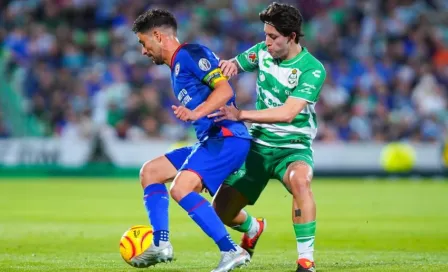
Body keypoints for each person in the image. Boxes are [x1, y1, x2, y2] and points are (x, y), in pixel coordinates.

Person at [130, 8, 252, 272]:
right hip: (212, 139)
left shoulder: (189, 54)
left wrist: (196, 112)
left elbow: (224, 89)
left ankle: (231, 250)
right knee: (150, 172)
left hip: (228, 136)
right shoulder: (176, 67)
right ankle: (161, 243)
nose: (143, 50)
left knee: (180, 188)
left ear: (157, 36)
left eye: (143, 43)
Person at [209, 3, 326, 272]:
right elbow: (232, 66)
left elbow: (288, 113)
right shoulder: (262, 52)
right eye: (265, 35)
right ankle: (253, 227)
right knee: (220, 210)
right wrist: (219, 69)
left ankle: (306, 261)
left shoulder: (312, 69)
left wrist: (240, 115)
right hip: (258, 146)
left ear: (292, 37)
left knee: (300, 181)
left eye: (273, 37)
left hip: (292, 148)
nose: (266, 42)